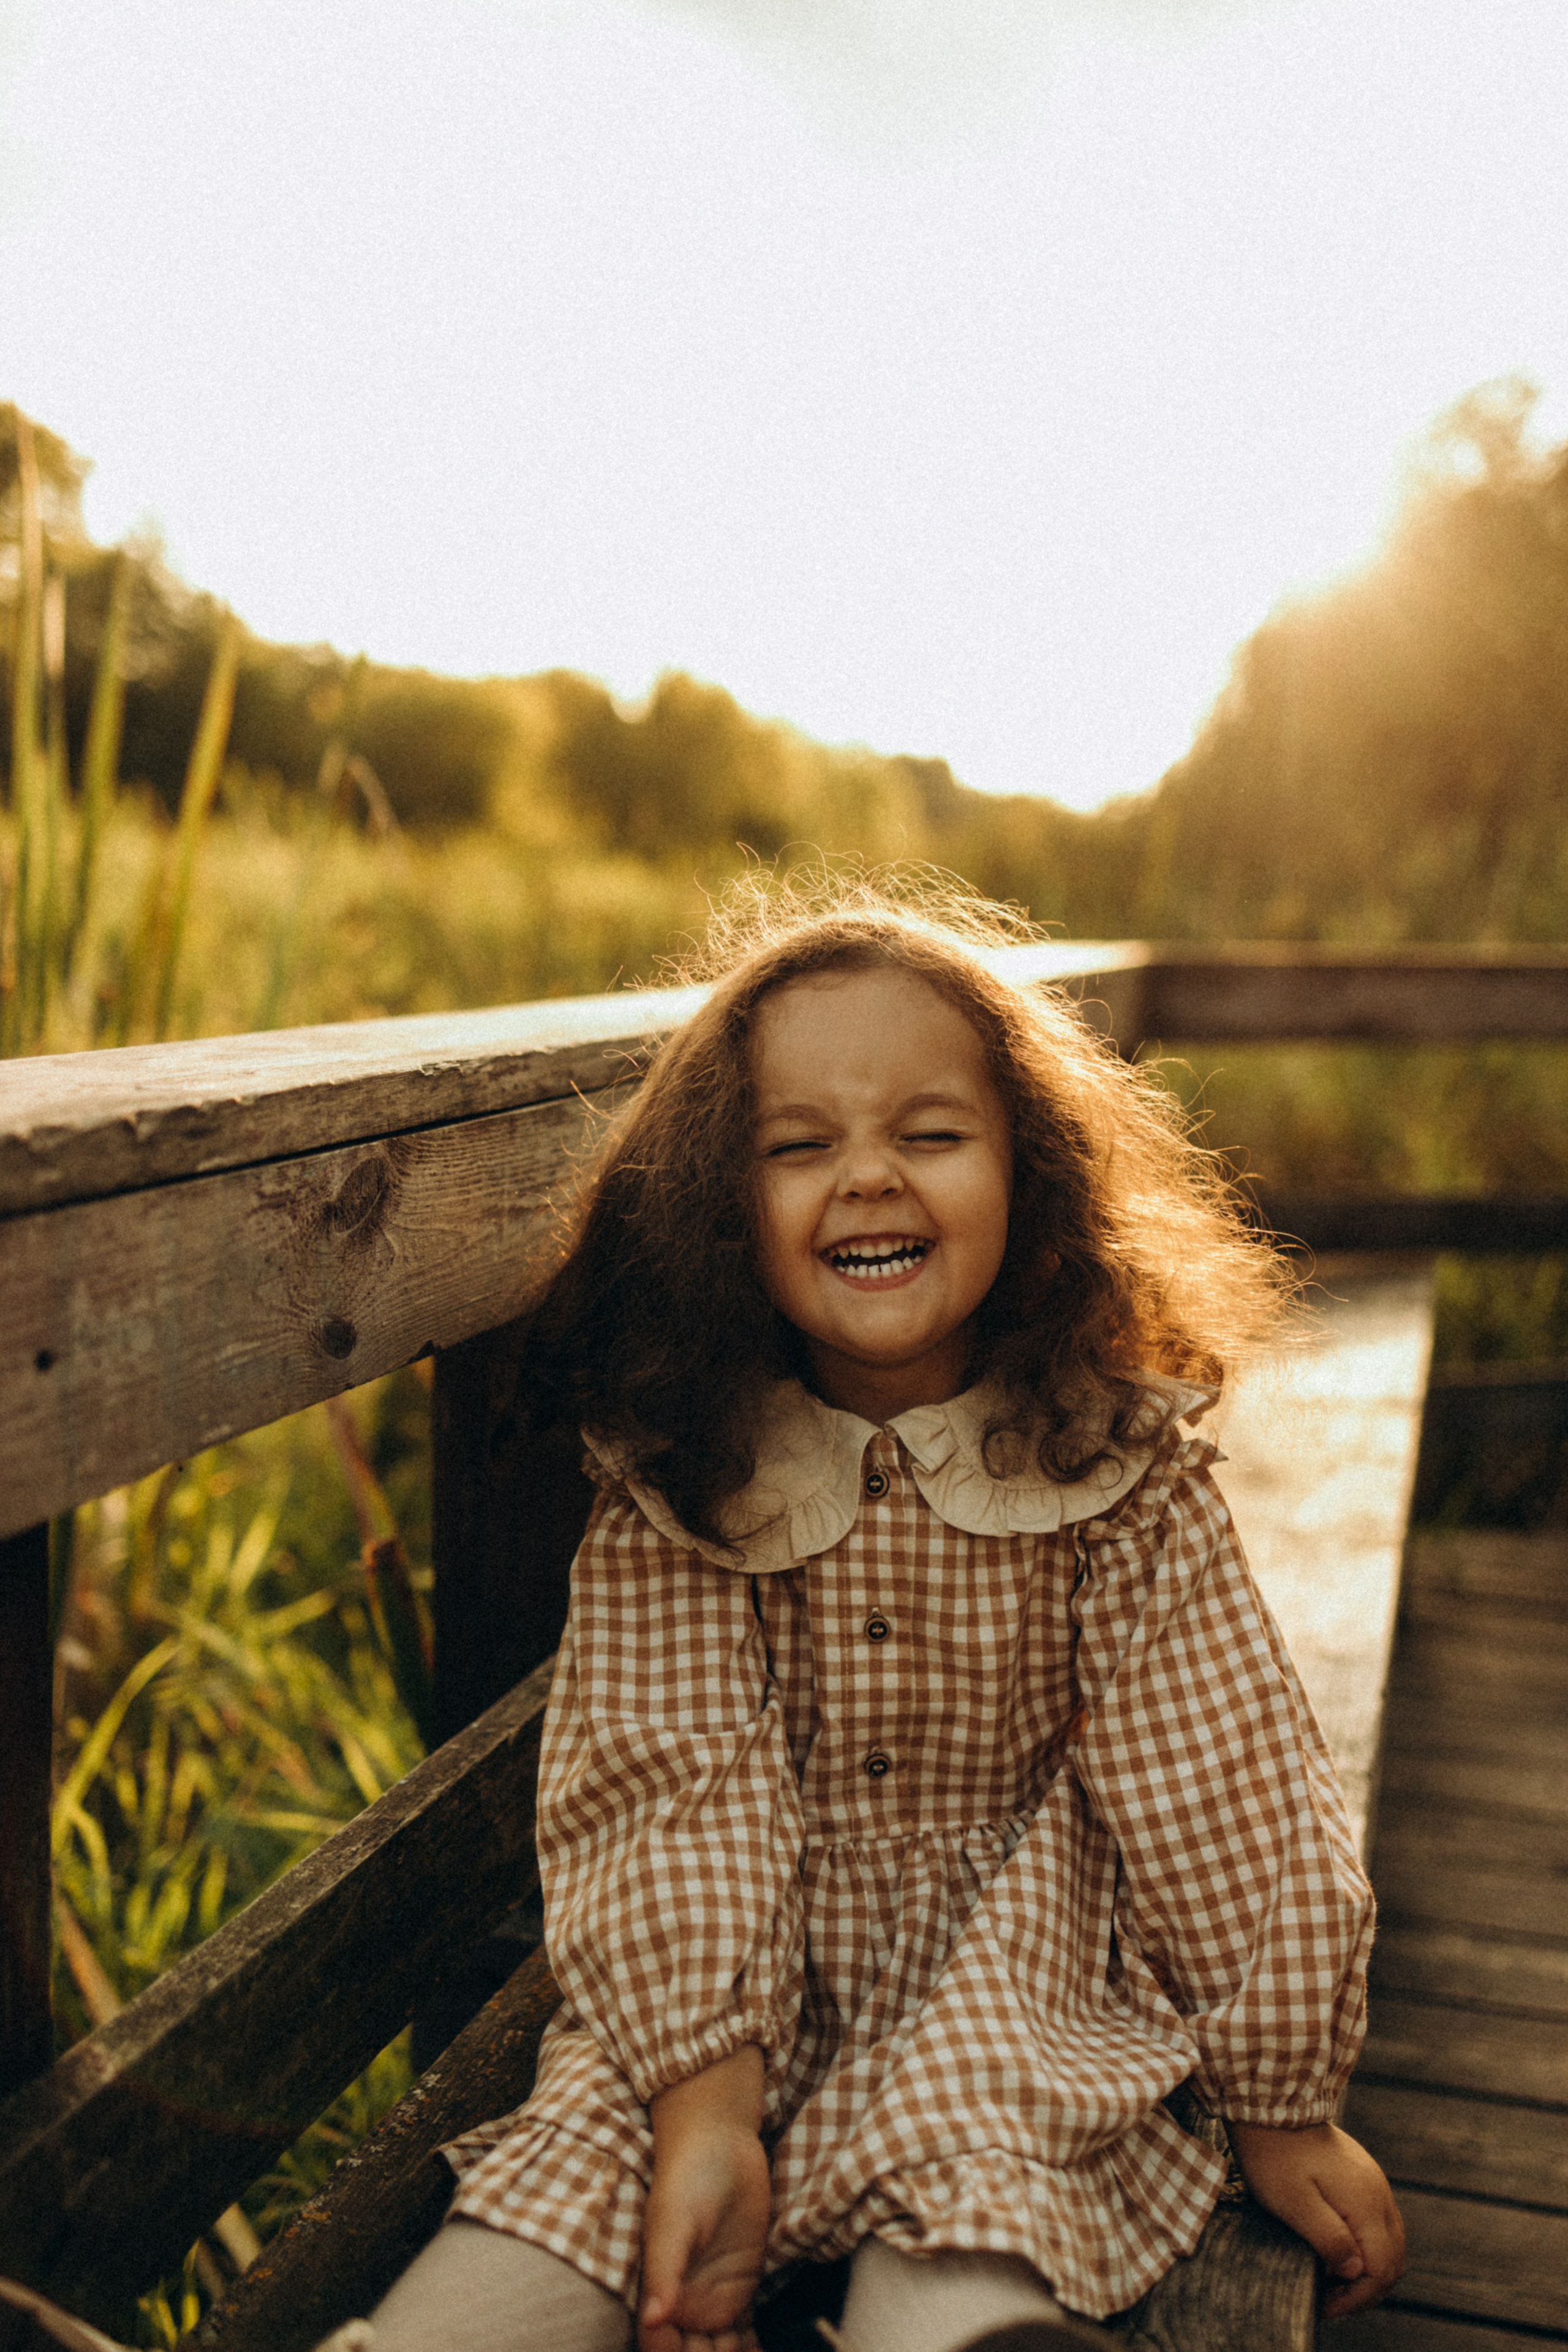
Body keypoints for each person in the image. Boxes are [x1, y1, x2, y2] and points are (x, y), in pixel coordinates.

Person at [337, 878, 1405, 2352]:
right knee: (582, 2180)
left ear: (1026, 1173)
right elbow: (666, 1793)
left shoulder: (1113, 1476)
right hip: (721, 1980)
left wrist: (1279, 2101)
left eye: (929, 1133)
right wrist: (709, 2100)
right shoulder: (690, 1483)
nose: (867, 1178)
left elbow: (1216, 1787)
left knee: (982, 2186)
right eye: (799, 1147)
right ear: (727, 1207)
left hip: (1009, 1983)